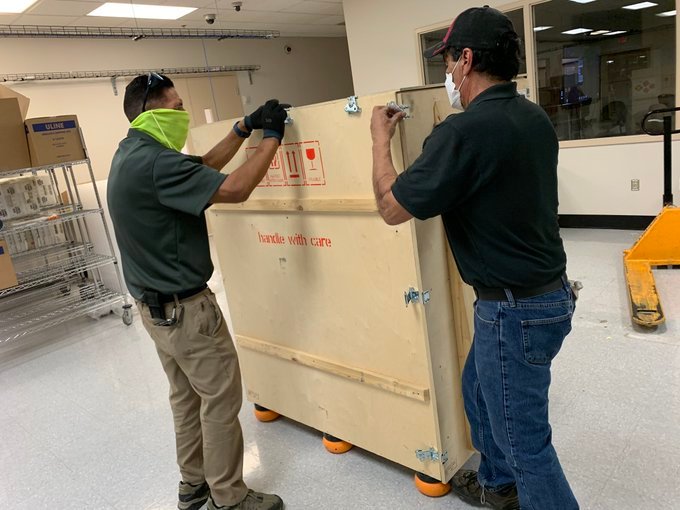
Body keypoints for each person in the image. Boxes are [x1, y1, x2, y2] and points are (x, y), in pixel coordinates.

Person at [370, 7, 578, 510]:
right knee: (480, 392)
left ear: (466, 60)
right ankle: (497, 485)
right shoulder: (532, 117)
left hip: (514, 310)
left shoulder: (464, 133)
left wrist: (379, 142)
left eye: (448, 62)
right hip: (545, 294)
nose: (446, 74)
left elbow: (392, 208)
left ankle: (512, 482)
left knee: (527, 445)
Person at [107, 73, 287, 510]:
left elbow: (200, 170)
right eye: (177, 105)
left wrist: (240, 129)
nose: (183, 113)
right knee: (221, 402)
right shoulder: (156, 163)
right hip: (188, 312)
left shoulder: (131, 155)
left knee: (185, 401)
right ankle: (229, 497)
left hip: (156, 313)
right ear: (155, 111)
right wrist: (271, 138)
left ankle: (193, 486)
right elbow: (235, 188)